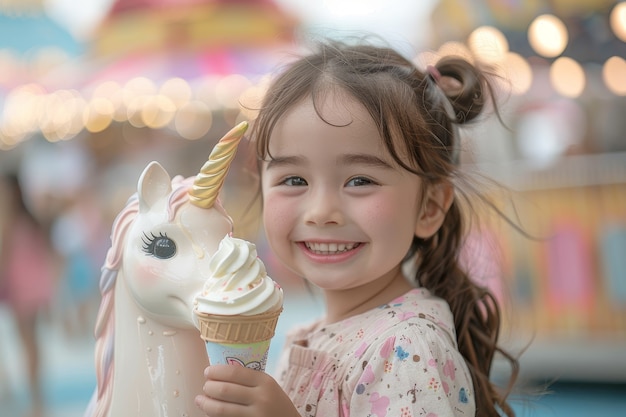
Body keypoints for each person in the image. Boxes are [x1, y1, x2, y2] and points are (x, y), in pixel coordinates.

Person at [195, 40, 519, 417]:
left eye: (360, 180)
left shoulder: (406, 348)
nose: (321, 212)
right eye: (295, 180)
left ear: (429, 207)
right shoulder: (309, 334)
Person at [0, 173, 58, 417]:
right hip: (29, 285)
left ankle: (36, 400)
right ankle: (35, 398)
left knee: (28, 342)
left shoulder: (11, 219)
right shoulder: (29, 219)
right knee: (30, 342)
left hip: (20, 286)